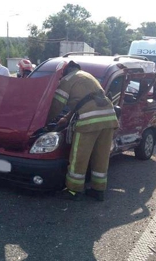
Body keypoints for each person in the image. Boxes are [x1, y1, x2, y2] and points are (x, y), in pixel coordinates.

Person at [47, 60, 119, 201]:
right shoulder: (87, 76)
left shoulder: (67, 80)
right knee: (101, 156)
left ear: (65, 72)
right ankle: (98, 190)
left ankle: (73, 190)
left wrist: (44, 121)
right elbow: (83, 101)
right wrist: (67, 118)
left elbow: (57, 105)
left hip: (89, 122)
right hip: (109, 119)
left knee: (79, 156)